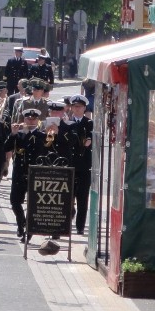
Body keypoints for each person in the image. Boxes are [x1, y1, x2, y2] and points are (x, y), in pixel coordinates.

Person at [4, 108, 47, 239]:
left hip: (35, 173)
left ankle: (28, 231)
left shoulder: (42, 136)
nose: (31, 121)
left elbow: (48, 150)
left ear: (37, 120)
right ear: (24, 120)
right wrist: (12, 134)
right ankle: (20, 223)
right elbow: (6, 148)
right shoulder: (19, 134)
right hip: (19, 172)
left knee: (33, 203)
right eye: (28, 118)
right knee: (14, 201)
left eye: (33, 119)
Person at [67, 95, 93, 235]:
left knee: (82, 198)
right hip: (69, 165)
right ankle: (67, 221)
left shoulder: (89, 124)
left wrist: (90, 141)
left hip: (83, 165)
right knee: (68, 197)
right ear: (71, 108)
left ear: (84, 108)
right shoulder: (67, 123)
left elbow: (94, 140)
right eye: (75, 107)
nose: (77, 109)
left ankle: (80, 227)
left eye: (80, 107)